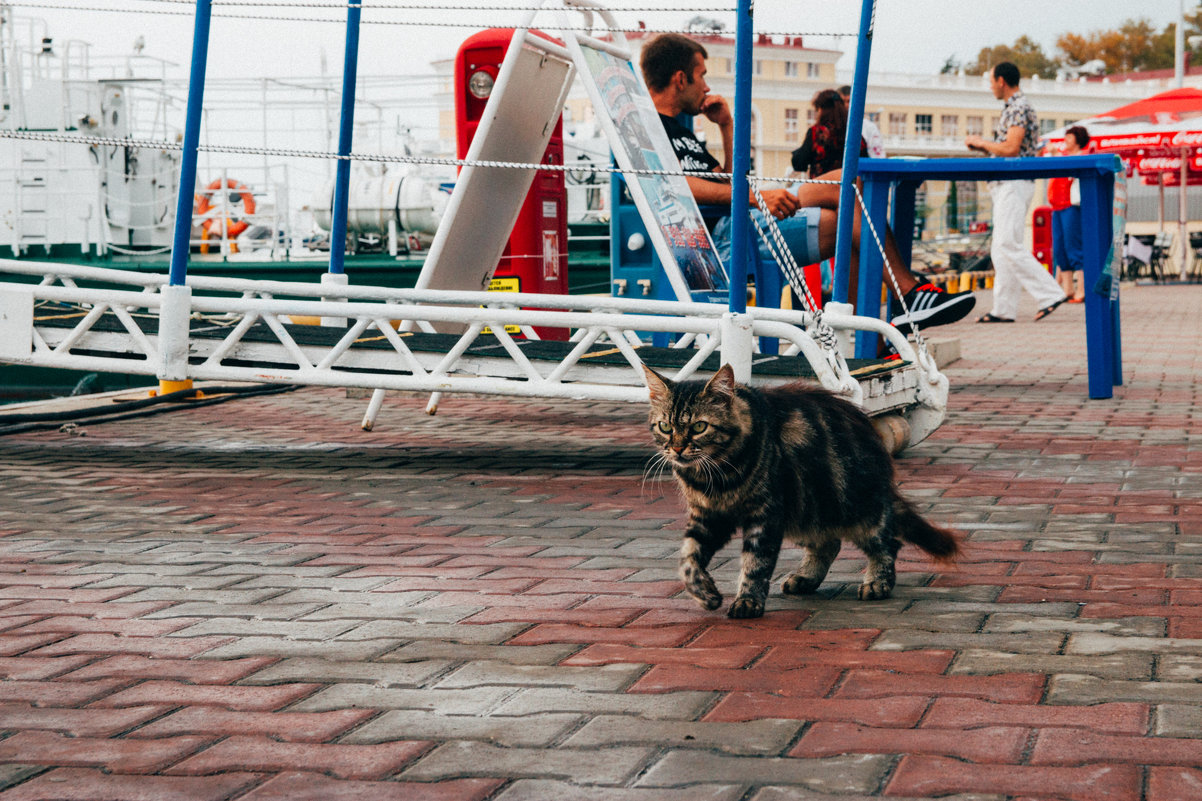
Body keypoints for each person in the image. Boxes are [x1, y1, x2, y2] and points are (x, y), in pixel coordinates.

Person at [640, 33, 974, 334]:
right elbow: (670, 187)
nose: (707, 87)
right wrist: (756, 199)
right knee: (849, 191)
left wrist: (726, 127)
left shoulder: (683, 133)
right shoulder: (647, 128)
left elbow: (725, 181)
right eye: (702, 76)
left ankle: (867, 330)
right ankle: (903, 298)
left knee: (851, 210)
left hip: (738, 223)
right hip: (720, 244)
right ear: (681, 79)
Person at [965, 61, 1068, 323]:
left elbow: (1011, 148)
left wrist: (981, 142)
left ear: (1001, 81)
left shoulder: (1019, 107)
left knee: (1007, 244)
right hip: (1011, 182)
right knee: (1001, 248)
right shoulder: (1016, 107)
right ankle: (1003, 309)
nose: (990, 87)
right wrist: (988, 148)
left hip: (1014, 181)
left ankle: (1050, 294)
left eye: (991, 81)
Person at [1048, 126, 1089, 303]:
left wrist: (1056, 155)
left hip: (1071, 206)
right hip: (1057, 206)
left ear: (1078, 139)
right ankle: (1068, 289)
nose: (1066, 139)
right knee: (1060, 248)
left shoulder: (1080, 157)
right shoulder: (1063, 155)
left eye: (1070, 137)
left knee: (1074, 247)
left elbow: (1071, 170)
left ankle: (1082, 289)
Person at [791, 88, 867, 179]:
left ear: (821, 109)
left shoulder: (817, 132)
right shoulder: (853, 133)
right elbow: (864, 159)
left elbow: (799, 164)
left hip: (821, 187)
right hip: (847, 187)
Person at [839, 84, 885, 158]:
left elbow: (877, 157)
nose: (846, 105)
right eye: (842, 102)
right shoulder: (829, 128)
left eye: (849, 101)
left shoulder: (869, 127)